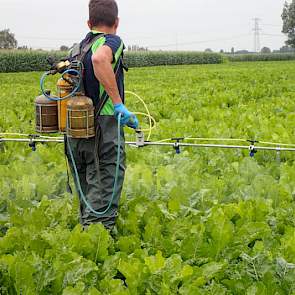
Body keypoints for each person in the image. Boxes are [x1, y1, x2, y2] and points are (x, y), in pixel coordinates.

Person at [66, 0, 138, 230]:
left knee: (87, 196)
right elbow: (100, 59)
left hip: (76, 131)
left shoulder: (76, 49)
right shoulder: (112, 40)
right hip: (103, 130)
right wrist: (118, 105)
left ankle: (85, 246)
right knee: (103, 201)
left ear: (89, 23)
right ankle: (97, 252)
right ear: (116, 22)